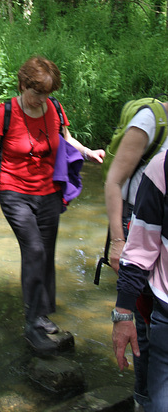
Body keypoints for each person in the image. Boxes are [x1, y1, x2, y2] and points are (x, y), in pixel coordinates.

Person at [0, 56, 105, 352]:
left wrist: (88, 152)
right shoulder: (5, 113)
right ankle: (32, 325)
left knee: (45, 253)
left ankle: (42, 314)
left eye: (46, 94)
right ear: (22, 85)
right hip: (14, 192)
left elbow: (66, 139)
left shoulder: (55, 108)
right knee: (33, 249)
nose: (41, 100)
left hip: (48, 193)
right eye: (36, 94)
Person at [105, 100, 168, 410]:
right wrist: (119, 242)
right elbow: (113, 180)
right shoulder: (150, 121)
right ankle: (144, 399)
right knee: (144, 326)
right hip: (138, 225)